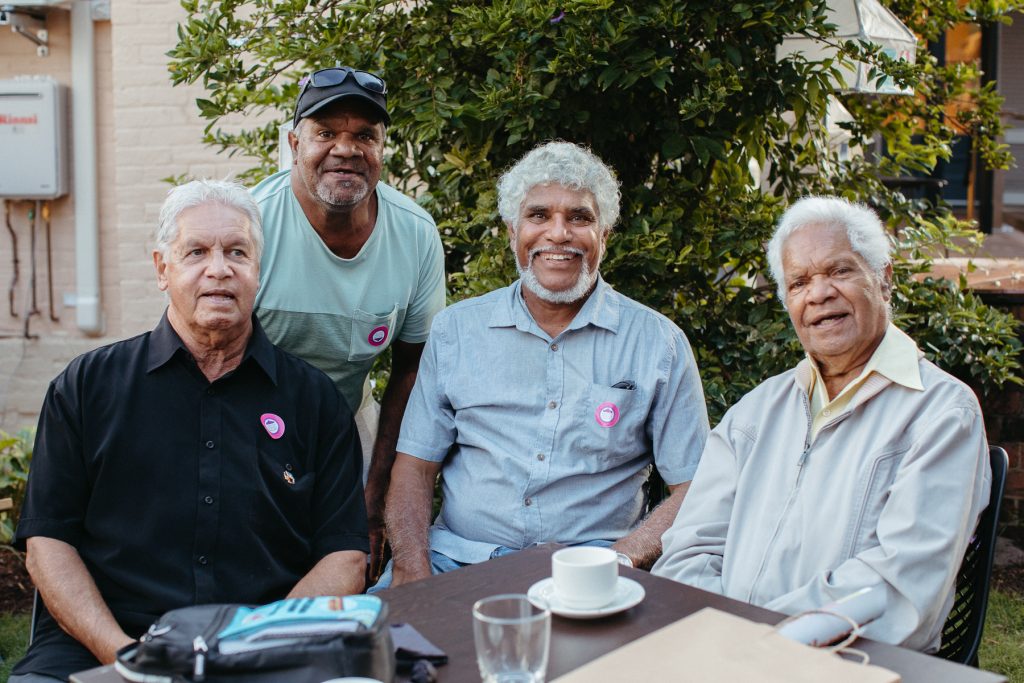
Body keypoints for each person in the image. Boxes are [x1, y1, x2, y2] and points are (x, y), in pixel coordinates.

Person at [10, 180, 368, 682]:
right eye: (196, 251)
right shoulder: (86, 387)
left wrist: (255, 646)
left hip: (264, 647)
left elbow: (344, 556)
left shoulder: (315, 402)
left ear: (257, 271)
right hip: (103, 646)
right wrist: (127, 658)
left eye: (236, 252)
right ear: (163, 268)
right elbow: (47, 544)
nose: (218, 269)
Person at [652, 196, 991, 652]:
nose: (818, 293)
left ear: (884, 279)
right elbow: (688, 552)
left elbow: (901, 587)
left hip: (851, 662)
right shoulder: (754, 413)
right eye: (799, 283)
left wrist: (761, 643)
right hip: (724, 655)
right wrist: (724, 644)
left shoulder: (942, 413)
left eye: (839, 271)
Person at [376, 141, 709, 589]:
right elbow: (415, 466)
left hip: (593, 574)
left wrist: (622, 558)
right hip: (455, 562)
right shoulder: (455, 331)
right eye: (538, 216)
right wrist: (414, 573)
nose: (558, 234)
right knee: (373, 654)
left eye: (579, 217)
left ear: (604, 235)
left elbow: (695, 487)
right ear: (512, 232)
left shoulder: (659, 344)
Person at [250, 66, 446, 576]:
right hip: (245, 414)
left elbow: (412, 370)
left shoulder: (415, 234)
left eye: (364, 135)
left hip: (346, 413)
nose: (346, 148)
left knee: (354, 559)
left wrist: (376, 495)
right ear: (294, 143)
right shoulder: (251, 223)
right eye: (326, 133)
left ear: (382, 149)